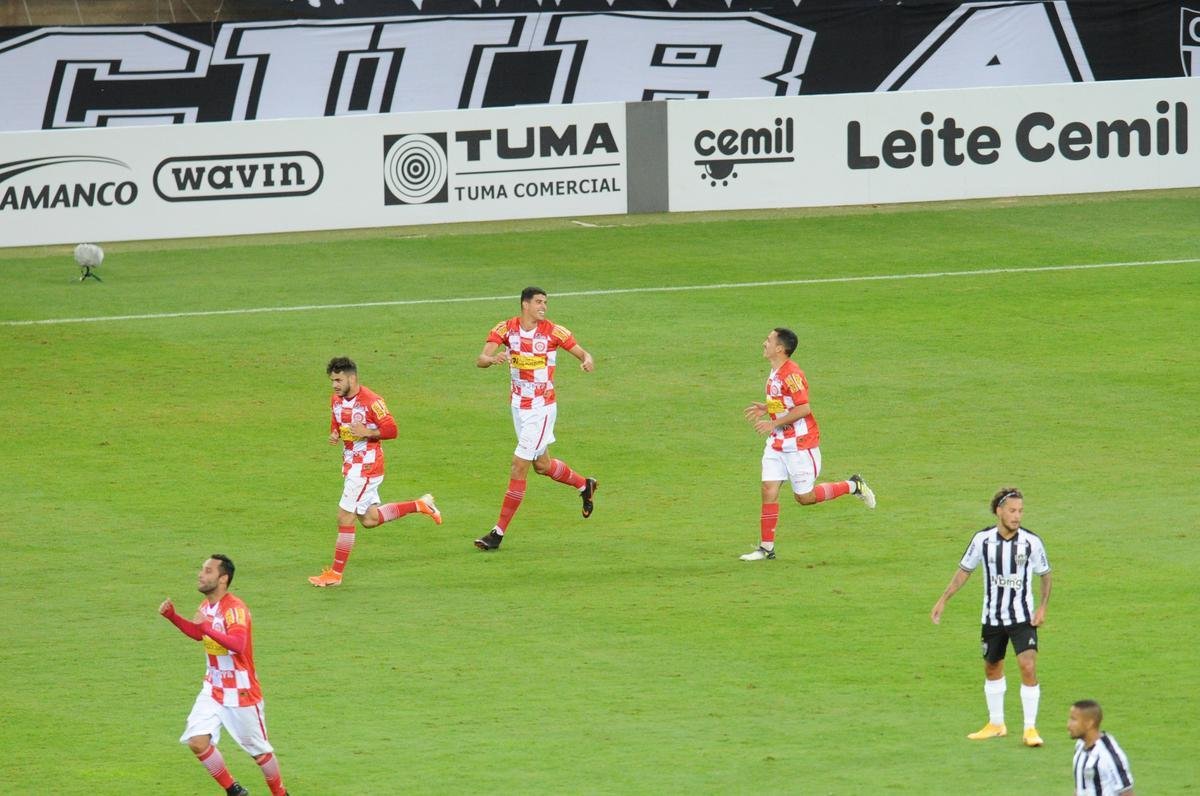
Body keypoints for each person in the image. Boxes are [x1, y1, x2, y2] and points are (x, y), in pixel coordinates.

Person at [474, 286, 597, 550]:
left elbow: (582, 352)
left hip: (541, 408)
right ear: (525, 305)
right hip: (519, 407)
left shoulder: (554, 331)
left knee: (519, 465)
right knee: (542, 465)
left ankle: (497, 533)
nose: (543, 306)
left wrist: (587, 360)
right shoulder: (506, 329)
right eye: (539, 302)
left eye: (545, 302)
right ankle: (584, 484)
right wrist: (493, 358)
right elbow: (481, 359)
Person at [740, 327, 875, 561]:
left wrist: (773, 424)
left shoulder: (791, 375)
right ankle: (766, 548)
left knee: (805, 498)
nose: (764, 343)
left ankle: (853, 485)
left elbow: (804, 408)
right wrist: (767, 408)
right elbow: (787, 403)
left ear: (780, 348)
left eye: (769, 340)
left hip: (800, 445)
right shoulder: (775, 372)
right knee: (768, 490)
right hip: (778, 443)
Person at [930, 487, 1052, 746]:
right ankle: (996, 723)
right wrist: (943, 599)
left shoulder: (1031, 542)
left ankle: (1030, 729)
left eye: (1020, 511)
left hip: (1022, 617)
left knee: (1027, 666)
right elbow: (964, 571)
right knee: (992, 667)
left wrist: (1042, 607)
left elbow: (1045, 574)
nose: (1017, 516)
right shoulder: (982, 540)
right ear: (999, 511)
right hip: (992, 617)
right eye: (1012, 511)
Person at [159, 555, 288, 796]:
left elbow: (238, 644)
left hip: (241, 691)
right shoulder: (206, 607)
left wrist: (206, 627)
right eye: (202, 569)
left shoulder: (235, 609)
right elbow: (200, 634)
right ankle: (234, 791)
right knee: (197, 741)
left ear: (223, 579)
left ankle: (281, 794)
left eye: (208, 571)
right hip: (213, 687)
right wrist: (174, 618)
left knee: (259, 753)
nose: (200, 574)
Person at [309, 357, 442, 587]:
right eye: (332, 380)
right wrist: (334, 433)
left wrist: (367, 431)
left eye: (339, 380)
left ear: (352, 378)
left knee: (344, 516)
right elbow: (337, 421)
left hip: (367, 467)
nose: (335, 385)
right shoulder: (337, 400)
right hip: (351, 464)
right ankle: (420, 505)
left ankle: (335, 575)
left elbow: (392, 430)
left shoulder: (372, 402)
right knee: (369, 519)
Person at [1069, 700, 1135, 795]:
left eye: (1074, 720)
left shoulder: (1109, 755)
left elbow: (1127, 792)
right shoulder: (1080, 746)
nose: (1068, 725)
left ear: (1089, 723)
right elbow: (1080, 788)